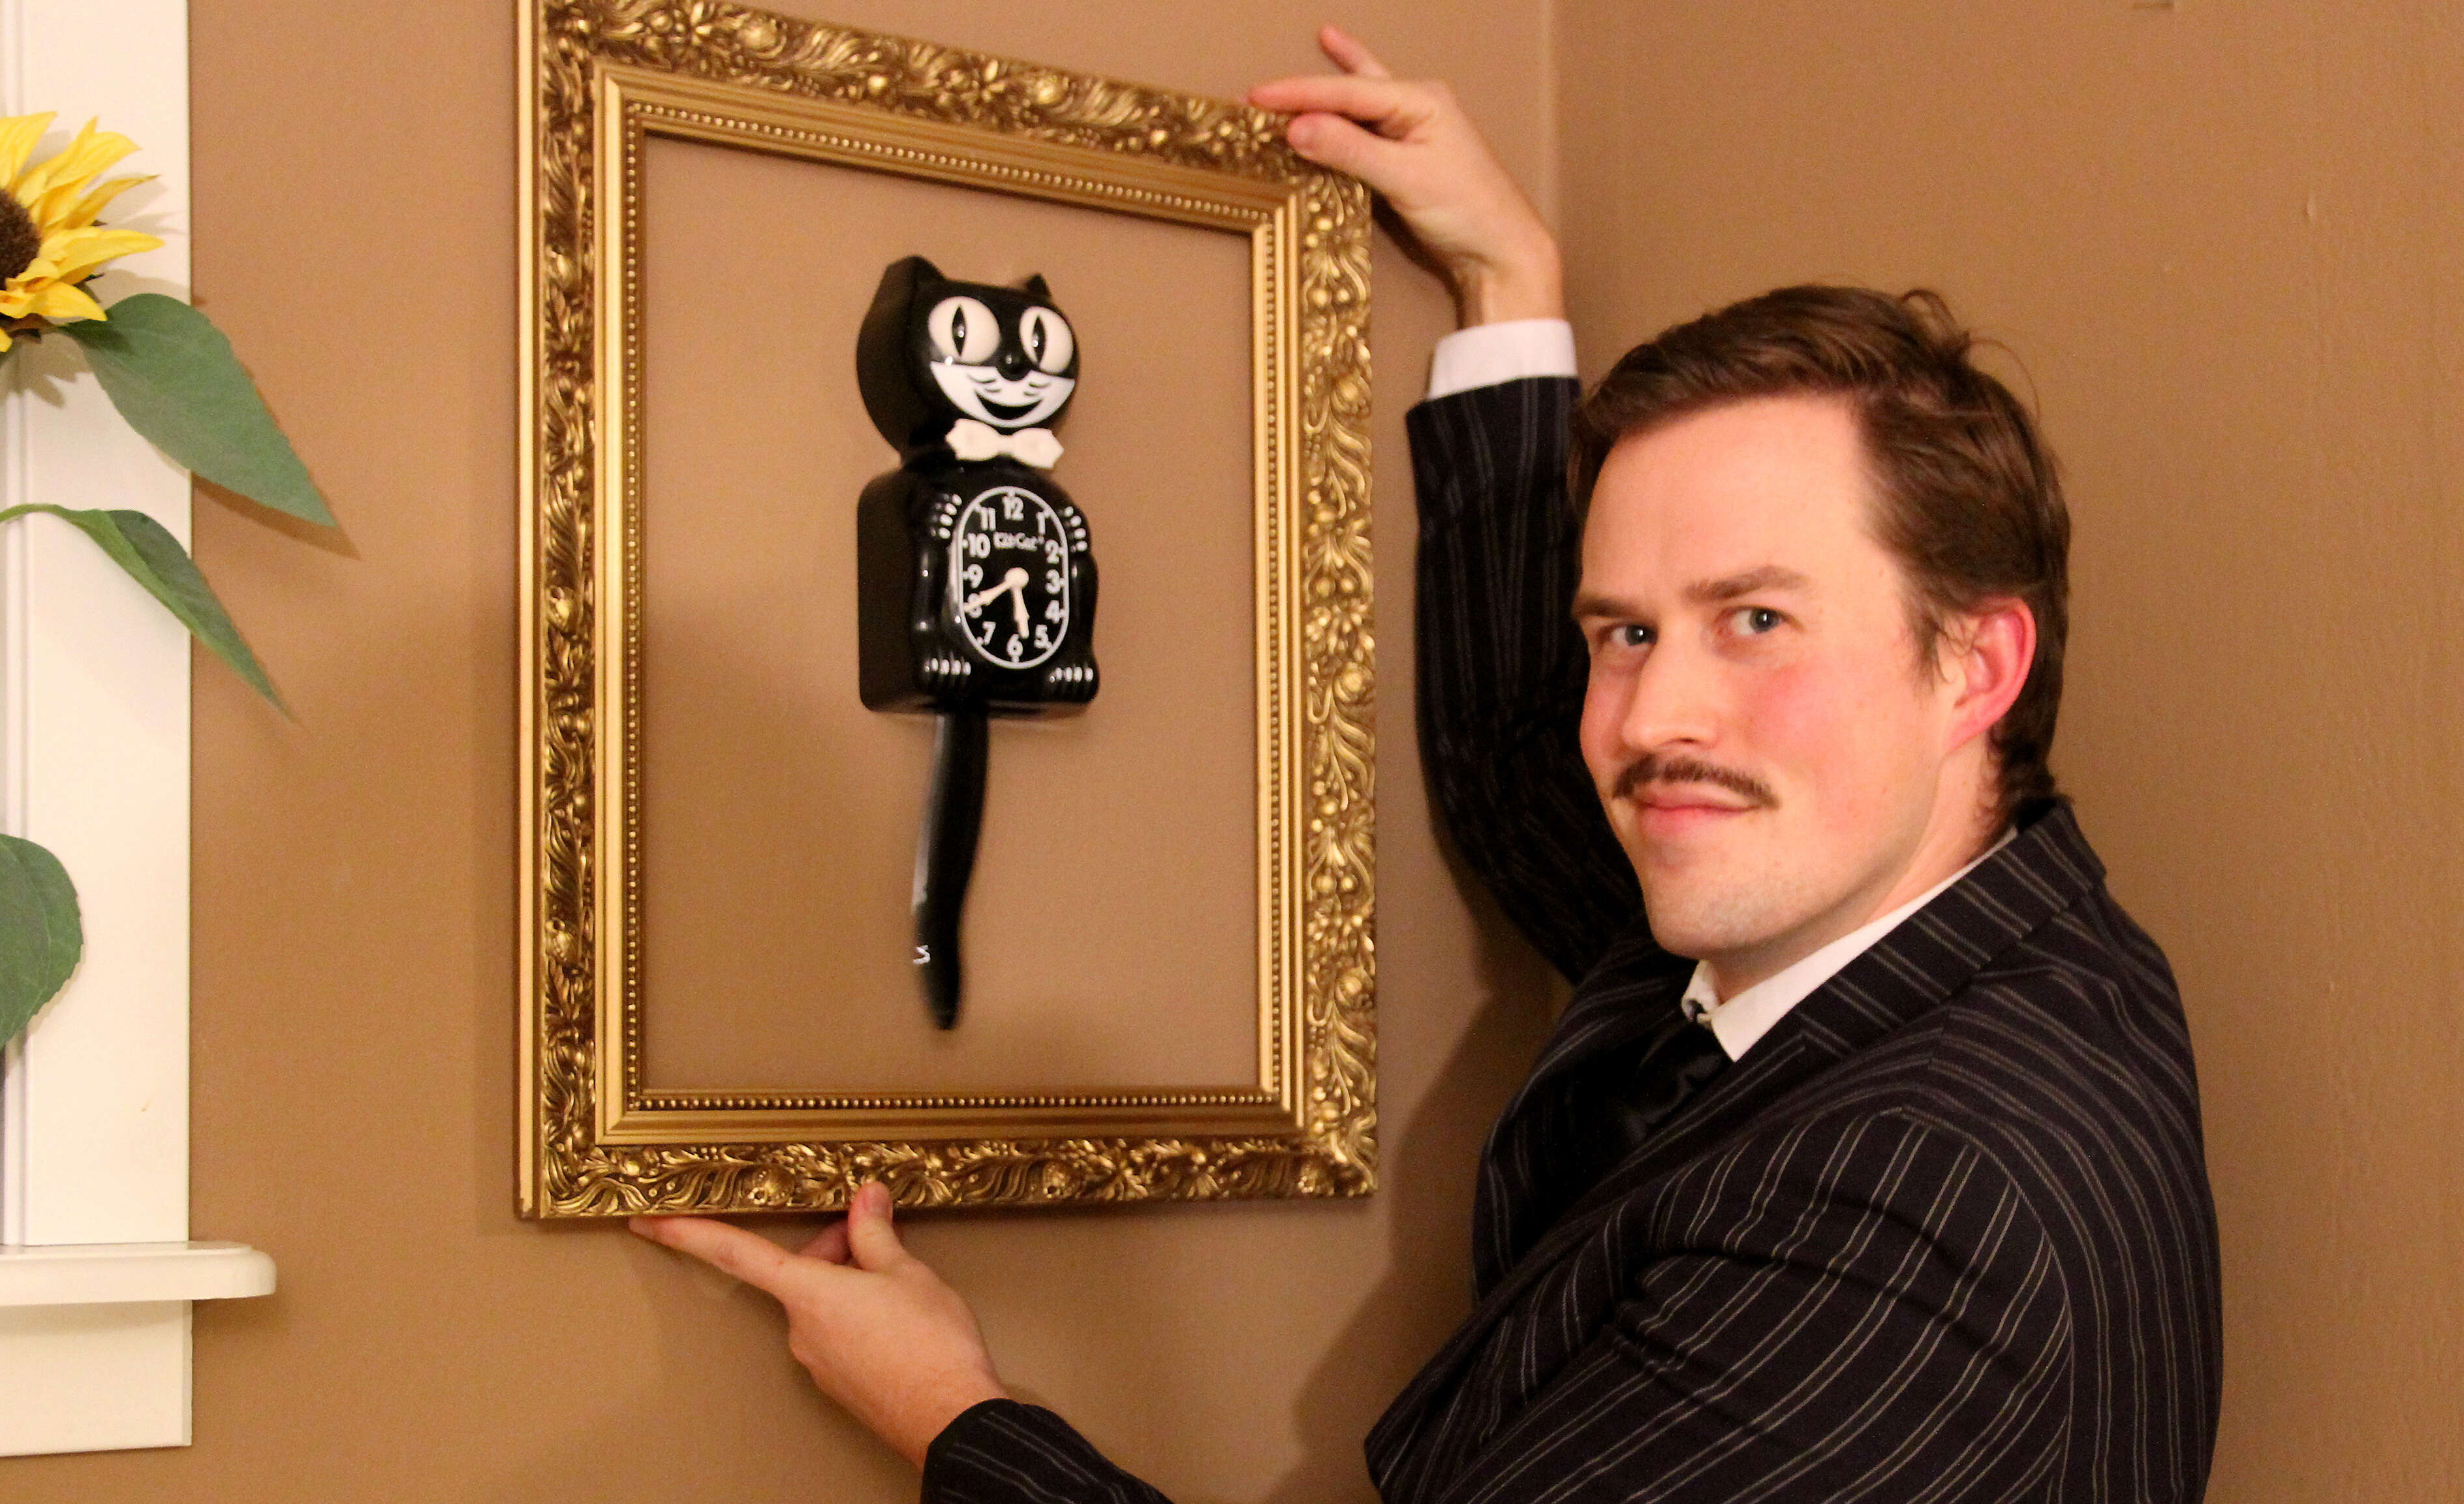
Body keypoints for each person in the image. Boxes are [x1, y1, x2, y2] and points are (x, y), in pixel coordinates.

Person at [632, 26, 2221, 1504]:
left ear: (1975, 666)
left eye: (1754, 620)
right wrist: (1503, 288)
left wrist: (948, 1416)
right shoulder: (1965, 942)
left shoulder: (1923, 1206)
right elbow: (1530, 776)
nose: (1648, 716)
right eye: (1622, 632)